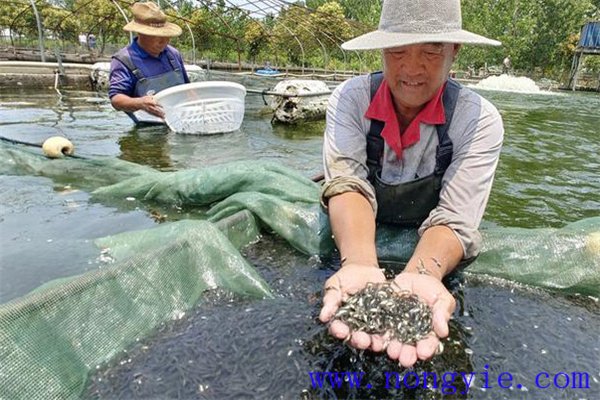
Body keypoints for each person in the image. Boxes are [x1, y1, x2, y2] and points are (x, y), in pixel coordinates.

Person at [319, 0, 504, 368]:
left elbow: (455, 218)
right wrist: (357, 264)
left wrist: (421, 276)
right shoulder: (350, 99)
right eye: (397, 51)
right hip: (354, 239)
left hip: (431, 252)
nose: (412, 68)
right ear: (382, 50)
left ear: (455, 51)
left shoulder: (478, 120)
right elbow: (347, 184)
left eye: (432, 50)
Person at [109, 2, 189, 123]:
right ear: (141, 33)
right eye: (156, 36)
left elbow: (188, 88)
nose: (164, 41)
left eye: (166, 35)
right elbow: (116, 99)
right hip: (148, 130)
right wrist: (140, 103)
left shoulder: (173, 54)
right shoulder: (124, 60)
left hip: (181, 120)